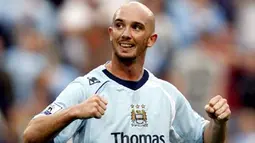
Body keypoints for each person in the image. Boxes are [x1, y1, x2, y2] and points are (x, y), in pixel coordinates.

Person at [23, 2, 231, 143]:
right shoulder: (86, 88)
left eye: (136, 27)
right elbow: (30, 135)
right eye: (120, 25)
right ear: (111, 34)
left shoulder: (167, 94)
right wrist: (73, 112)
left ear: (152, 40)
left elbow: (205, 138)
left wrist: (219, 123)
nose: (126, 34)